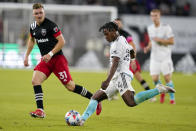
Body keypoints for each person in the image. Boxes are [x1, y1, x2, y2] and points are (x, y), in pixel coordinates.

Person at [79, 22, 175, 126]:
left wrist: (107, 81)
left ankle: (159, 89)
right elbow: (132, 50)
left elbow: (115, 64)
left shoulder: (117, 44)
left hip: (122, 76)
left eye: (106, 34)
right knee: (95, 97)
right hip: (117, 77)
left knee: (131, 102)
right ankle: (82, 120)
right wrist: (132, 60)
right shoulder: (121, 39)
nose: (105, 37)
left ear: (113, 31)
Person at [23, 3, 101, 118]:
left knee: (70, 87)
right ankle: (40, 110)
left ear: (44, 12)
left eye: (41, 12)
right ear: (33, 14)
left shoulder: (51, 25)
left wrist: (50, 53)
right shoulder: (33, 26)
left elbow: (62, 41)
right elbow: (31, 40)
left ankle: (95, 99)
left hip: (57, 60)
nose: (39, 15)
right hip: (46, 61)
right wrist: (26, 56)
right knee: (35, 80)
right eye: (36, 13)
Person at [114, 18, 156, 102]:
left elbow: (132, 45)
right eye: (115, 23)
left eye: (119, 23)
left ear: (122, 24)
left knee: (138, 77)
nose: (117, 25)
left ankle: (151, 95)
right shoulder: (113, 34)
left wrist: (132, 58)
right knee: (116, 78)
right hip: (120, 60)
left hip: (128, 59)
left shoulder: (125, 34)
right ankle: (113, 94)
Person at [144, 9, 175, 104]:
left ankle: (172, 99)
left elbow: (172, 41)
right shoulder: (150, 28)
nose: (154, 18)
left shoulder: (166, 27)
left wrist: (160, 40)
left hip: (165, 57)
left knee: (167, 78)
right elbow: (151, 41)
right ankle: (162, 90)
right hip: (154, 57)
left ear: (159, 16)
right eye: (152, 16)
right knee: (154, 79)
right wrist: (148, 47)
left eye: (156, 15)